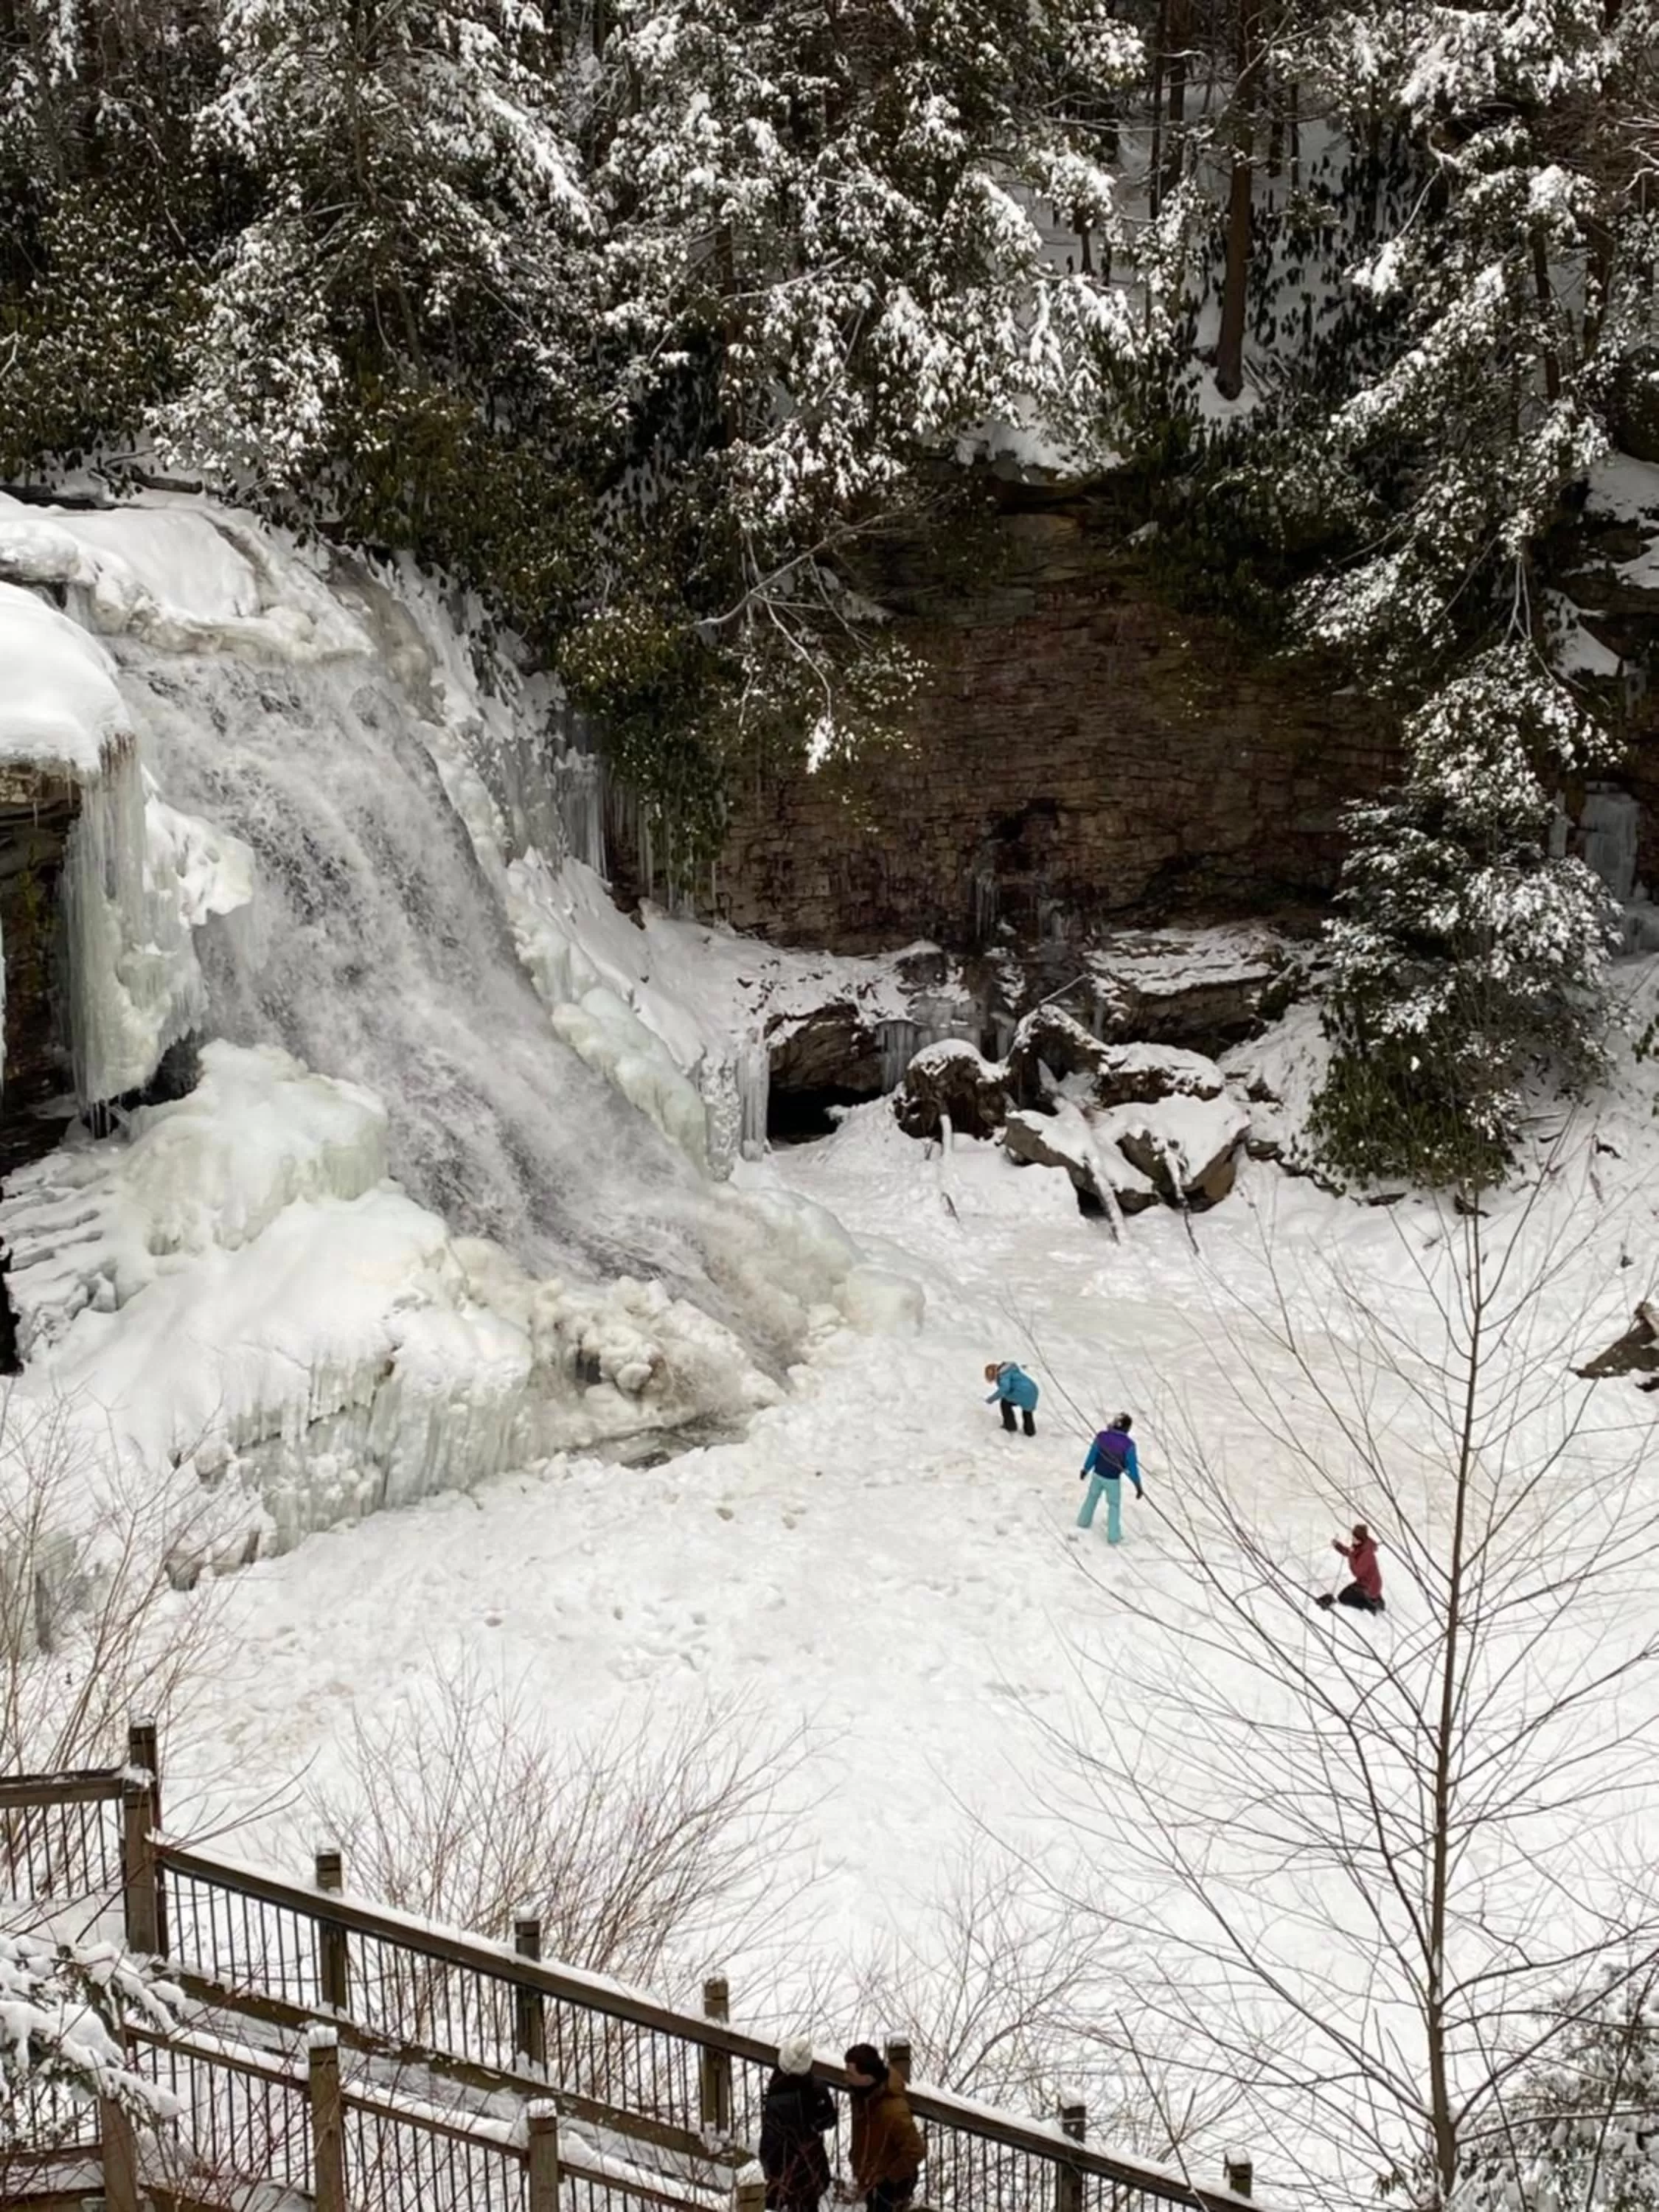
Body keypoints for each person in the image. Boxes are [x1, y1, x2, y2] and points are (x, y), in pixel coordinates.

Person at [759, 2034, 837, 2212]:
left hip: (785, 2164)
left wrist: (768, 2165)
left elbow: (771, 2140)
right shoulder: (815, 2089)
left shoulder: (778, 2094)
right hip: (811, 2161)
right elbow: (827, 2120)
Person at [841, 2044, 923, 2212]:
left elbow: (915, 2150)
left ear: (867, 2078)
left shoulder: (893, 2110)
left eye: (851, 2074)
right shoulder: (861, 2094)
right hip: (873, 2176)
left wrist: (889, 2178)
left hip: (891, 2184)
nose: (845, 2077)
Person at [1077, 1415, 1143, 1544]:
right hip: (1113, 1479)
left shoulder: (1102, 1436)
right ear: (1127, 1428)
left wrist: (1085, 1469)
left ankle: (1083, 1522)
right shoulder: (1129, 1445)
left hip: (1097, 1474)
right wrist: (1137, 1485)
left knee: (1091, 1498)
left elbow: (1093, 1454)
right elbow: (1132, 1467)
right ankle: (1113, 1536)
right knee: (1114, 1506)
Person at [1317, 1523, 1385, 1614]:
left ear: (1361, 1539)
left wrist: (1352, 1556)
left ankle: (1370, 1607)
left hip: (1369, 1586)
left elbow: (1356, 1572)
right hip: (1368, 1582)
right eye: (1353, 1537)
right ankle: (1376, 1600)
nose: (1352, 1540)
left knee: (1343, 1598)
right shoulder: (1361, 1546)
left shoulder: (1366, 1554)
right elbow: (1349, 1552)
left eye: (1355, 1538)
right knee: (1346, 1595)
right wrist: (1338, 1546)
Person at [984, 1360, 1039, 1436]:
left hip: (1021, 1392)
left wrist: (991, 1399)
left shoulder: (1003, 1374)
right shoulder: (1011, 1370)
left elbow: (1004, 1389)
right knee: (1027, 1411)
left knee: (1005, 1403)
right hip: (1033, 1391)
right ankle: (1030, 1431)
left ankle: (1010, 1425)